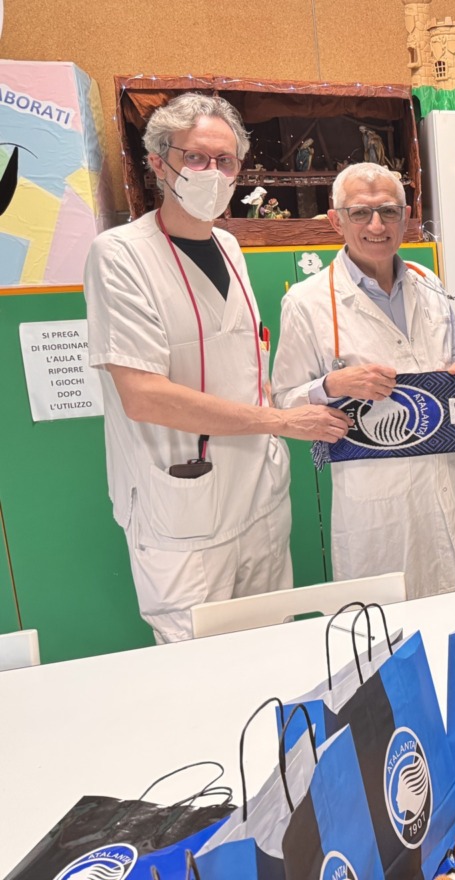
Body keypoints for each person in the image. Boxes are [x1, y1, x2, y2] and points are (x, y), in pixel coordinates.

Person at [83, 93, 349, 643]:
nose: (212, 172)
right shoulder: (119, 256)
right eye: (196, 158)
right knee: (203, 678)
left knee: (272, 655)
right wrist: (281, 423)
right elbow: (144, 396)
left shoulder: (228, 244)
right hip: (184, 512)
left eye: (225, 161)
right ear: (160, 162)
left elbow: (243, 365)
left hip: (258, 500)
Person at [272, 162, 455, 598]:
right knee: (390, 636)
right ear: (336, 220)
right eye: (360, 213)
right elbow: (284, 404)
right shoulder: (306, 302)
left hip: (449, 481)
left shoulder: (427, 281)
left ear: (408, 216)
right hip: (377, 506)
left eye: (389, 212)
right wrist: (332, 387)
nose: (377, 225)